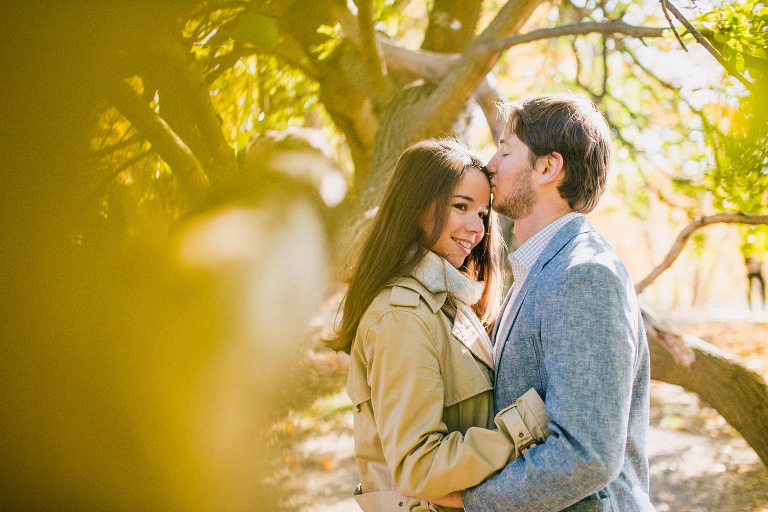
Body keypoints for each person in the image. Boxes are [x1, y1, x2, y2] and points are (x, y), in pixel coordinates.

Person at [414, 94, 655, 511]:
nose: (490, 164)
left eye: (505, 150)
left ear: (548, 167)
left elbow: (586, 454)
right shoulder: (539, 267)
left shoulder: (584, 276)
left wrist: (470, 499)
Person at [327, 139, 551, 511]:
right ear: (415, 206)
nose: (476, 228)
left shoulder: (450, 304)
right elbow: (420, 467)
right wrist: (523, 427)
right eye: (461, 206)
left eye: (482, 213)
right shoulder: (402, 316)